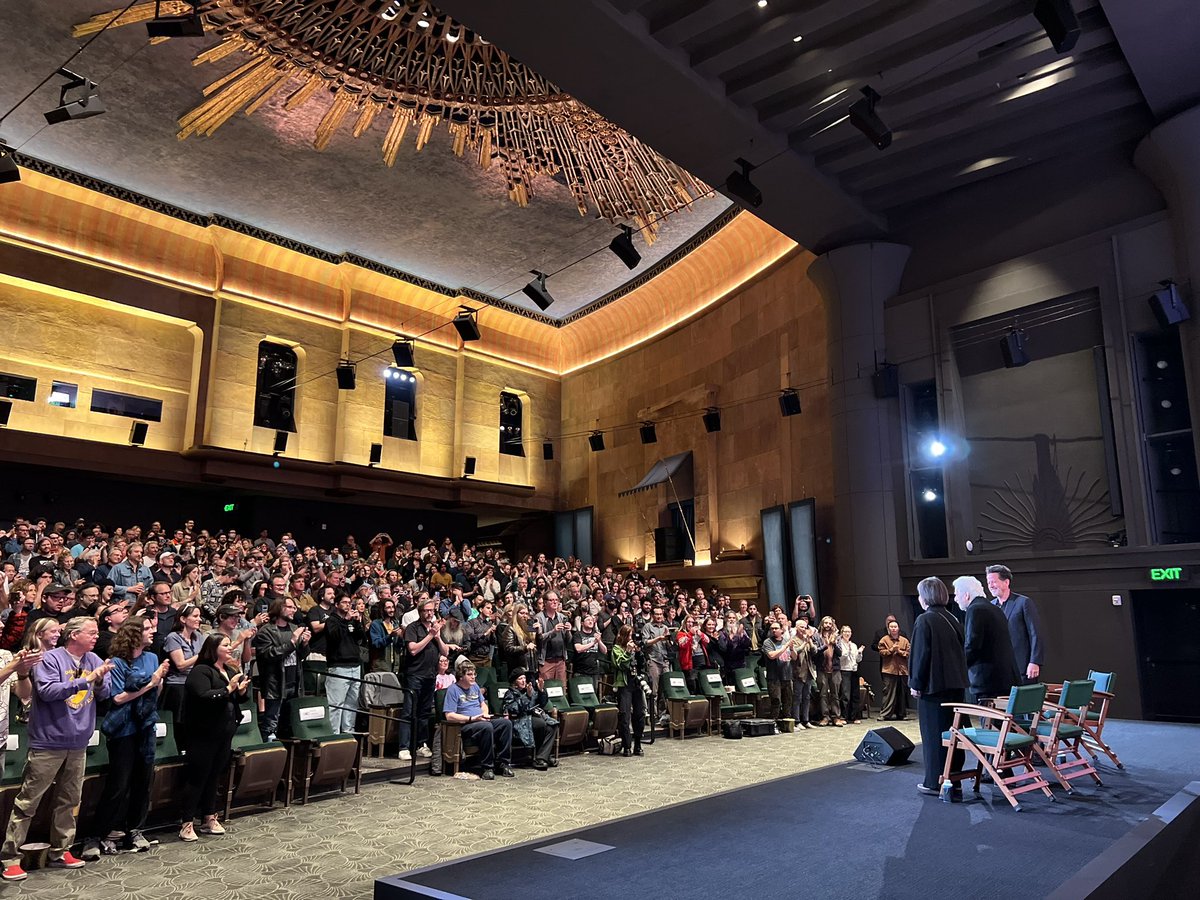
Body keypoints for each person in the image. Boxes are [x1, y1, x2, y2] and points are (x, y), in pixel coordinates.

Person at [2, 617, 113, 881]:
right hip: (48, 741)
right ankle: (10, 857)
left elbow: (105, 692)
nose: (96, 637)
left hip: (78, 742)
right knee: (28, 802)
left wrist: (98, 680)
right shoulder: (50, 659)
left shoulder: (94, 660)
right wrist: (87, 681)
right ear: (73, 635)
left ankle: (61, 850)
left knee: (70, 800)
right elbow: (48, 691)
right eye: (91, 632)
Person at [84, 615, 169, 857]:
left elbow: (157, 691)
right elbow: (118, 698)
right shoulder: (118, 662)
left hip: (146, 725)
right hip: (124, 728)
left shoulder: (152, 657)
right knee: (119, 784)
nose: (153, 631)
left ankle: (134, 829)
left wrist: (157, 682)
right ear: (134, 634)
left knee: (143, 781)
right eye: (147, 628)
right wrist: (151, 683)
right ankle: (99, 834)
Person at [178, 634, 250, 842]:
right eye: (225, 645)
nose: (230, 648)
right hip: (203, 733)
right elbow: (203, 697)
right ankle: (186, 822)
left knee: (214, 776)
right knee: (198, 777)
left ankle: (209, 816)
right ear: (213, 648)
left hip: (224, 733)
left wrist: (240, 691)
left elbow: (233, 698)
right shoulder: (201, 671)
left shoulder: (228, 670)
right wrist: (229, 689)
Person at [909, 577, 968, 798]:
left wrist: (916, 683)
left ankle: (935, 782)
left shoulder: (925, 620)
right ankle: (954, 778)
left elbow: (920, 655)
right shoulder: (953, 618)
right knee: (953, 735)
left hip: (933, 689)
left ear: (926, 596)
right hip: (956, 687)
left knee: (934, 737)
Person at [442, 658, 514, 780]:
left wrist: (484, 714)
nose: (473, 677)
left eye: (474, 674)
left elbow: (483, 704)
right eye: (469, 674)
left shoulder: (475, 686)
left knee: (505, 723)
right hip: (465, 724)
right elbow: (449, 715)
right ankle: (487, 767)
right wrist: (471, 718)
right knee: (486, 727)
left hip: (480, 720)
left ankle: (503, 763)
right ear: (461, 676)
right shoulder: (453, 690)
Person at [953, 575, 1019, 705]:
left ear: (966, 595)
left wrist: (958, 667)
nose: (955, 599)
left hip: (988, 683)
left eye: (956, 594)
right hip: (1004, 678)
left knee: (990, 724)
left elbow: (972, 645)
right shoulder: (995, 608)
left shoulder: (975, 609)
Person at [398, 595, 449, 762]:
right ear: (420, 612)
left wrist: (437, 636)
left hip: (430, 675)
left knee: (424, 712)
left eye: (431, 611)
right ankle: (404, 747)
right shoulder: (413, 628)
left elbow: (445, 652)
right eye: (426, 611)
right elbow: (413, 649)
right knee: (408, 711)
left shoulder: (435, 629)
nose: (429, 613)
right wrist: (429, 636)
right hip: (414, 675)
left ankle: (421, 744)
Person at [253, 597, 310, 742]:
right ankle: (269, 754)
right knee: (271, 724)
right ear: (279, 608)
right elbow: (269, 655)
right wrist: (292, 642)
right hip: (276, 684)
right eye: (290, 607)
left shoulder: (293, 628)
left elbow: (301, 656)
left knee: (289, 723)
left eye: (294, 607)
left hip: (294, 681)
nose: (293, 610)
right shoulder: (266, 631)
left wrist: (304, 644)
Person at [986, 565, 1043, 684]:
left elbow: (1035, 634)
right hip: (1000, 670)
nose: (990, 586)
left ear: (1006, 582)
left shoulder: (1023, 603)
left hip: (1022, 668)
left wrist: (1035, 662)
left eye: (993, 582)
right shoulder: (990, 606)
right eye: (988, 582)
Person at [323, 592, 367, 735]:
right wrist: (345, 621)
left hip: (355, 665)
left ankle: (348, 731)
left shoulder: (352, 620)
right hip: (339, 667)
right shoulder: (332, 620)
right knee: (336, 704)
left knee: (352, 704)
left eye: (349, 602)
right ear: (336, 605)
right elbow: (335, 637)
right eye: (344, 602)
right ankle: (334, 734)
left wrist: (358, 622)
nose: (348, 605)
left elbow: (361, 638)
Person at [502, 667, 558, 770]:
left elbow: (542, 703)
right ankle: (542, 758)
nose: (524, 681)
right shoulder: (510, 693)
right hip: (519, 721)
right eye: (520, 679)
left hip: (531, 718)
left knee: (552, 725)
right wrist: (527, 696)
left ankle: (542, 757)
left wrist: (541, 690)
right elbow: (513, 709)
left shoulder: (528, 690)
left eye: (524, 678)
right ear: (514, 681)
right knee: (540, 723)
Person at [609, 625, 645, 757]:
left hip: (636, 683)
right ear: (623, 636)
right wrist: (628, 652)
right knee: (624, 715)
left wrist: (639, 652)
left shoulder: (635, 648)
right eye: (629, 636)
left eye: (632, 635)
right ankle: (627, 745)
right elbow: (620, 665)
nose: (631, 638)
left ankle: (638, 744)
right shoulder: (616, 649)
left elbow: (642, 665)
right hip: (624, 684)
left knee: (639, 714)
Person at [876, 619, 910, 721]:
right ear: (888, 629)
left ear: (898, 628)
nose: (894, 628)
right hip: (889, 670)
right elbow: (881, 653)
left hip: (902, 670)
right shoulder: (884, 640)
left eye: (895, 627)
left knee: (902, 693)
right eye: (891, 627)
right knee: (889, 693)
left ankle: (902, 714)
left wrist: (899, 651)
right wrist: (891, 650)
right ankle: (885, 714)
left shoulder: (904, 640)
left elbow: (908, 653)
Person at [762, 620, 794, 722]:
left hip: (787, 675)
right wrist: (785, 647)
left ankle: (787, 723)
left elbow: (794, 657)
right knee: (776, 701)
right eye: (772, 629)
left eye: (776, 628)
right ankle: (774, 724)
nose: (774, 630)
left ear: (781, 630)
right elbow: (772, 655)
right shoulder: (767, 642)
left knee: (788, 701)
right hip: (774, 677)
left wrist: (792, 649)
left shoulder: (786, 641)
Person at [814, 616, 843, 726]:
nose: (827, 625)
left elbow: (840, 653)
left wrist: (834, 643)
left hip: (835, 669)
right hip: (822, 669)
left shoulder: (837, 637)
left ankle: (836, 717)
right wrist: (826, 645)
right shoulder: (816, 637)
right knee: (823, 694)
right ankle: (825, 717)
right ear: (822, 624)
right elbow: (815, 652)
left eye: (829, 623)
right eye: (825, 623)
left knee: (835, 694)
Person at [837, 625, 865, 723]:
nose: (847, 634)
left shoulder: (853, 645)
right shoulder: (839, 644)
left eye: (849, 632)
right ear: (841, 633)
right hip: (844, 670)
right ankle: (844, 716)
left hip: (854, 670)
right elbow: (840, 658)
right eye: (845, 632)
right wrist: (847, 652)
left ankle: (854, 716)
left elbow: (857, 660)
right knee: (845, 694)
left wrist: (859, 653)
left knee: (855, 694)